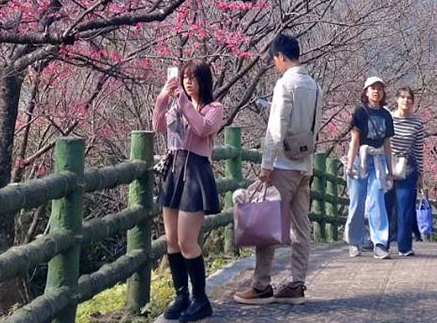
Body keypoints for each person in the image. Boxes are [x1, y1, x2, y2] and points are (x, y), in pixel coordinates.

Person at [233, 34, 322, 306]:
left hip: (282, 165)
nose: (276, 65)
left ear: (281, 57)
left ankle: (261, 286)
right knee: (301, 228)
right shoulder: (314, 86)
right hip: (304, 166)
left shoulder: (285, 84)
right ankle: (296, 284)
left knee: (266, 223)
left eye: (275, 60)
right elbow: (314, 128)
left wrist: (266, 164)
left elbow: (276, 127)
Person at [154, 60, 225, 321]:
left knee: (186, 240)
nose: (188, 82)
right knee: (172, 240)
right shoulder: (176, 105)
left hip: (195, 173)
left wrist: (184, 104)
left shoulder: (214, 108)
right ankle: (181, 295)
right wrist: (164, 96)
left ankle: (200, 299)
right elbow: (159, 126)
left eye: (193, 78)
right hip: (174, 170)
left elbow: (204, 128)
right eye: (185, 77)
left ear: (204, 81)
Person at [343, 77, 394, 259]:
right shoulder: (360, 112)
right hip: (359, 159)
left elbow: (387, 144)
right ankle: (354, 241)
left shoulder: (386, 115)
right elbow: (354, 140)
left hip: (378, 161)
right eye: (373, 88)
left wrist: (390, 171)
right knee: (357, 202)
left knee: (377, 200)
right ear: (365, 91)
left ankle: (379, 243)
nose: (376, 91)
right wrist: (349, 165)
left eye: (380, 88)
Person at [388, 85, 425, 257]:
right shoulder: (388, 117)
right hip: (387, 165)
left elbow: (418, 149)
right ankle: (381, 243)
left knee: (405, 208)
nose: (406, 101)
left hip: (407, 168)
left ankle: (405, 246)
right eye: (402, 97)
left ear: (413, 102)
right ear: (396, 99)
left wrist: (420, 174)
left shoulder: (417, 123)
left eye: (409, 98)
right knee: (385, 205)